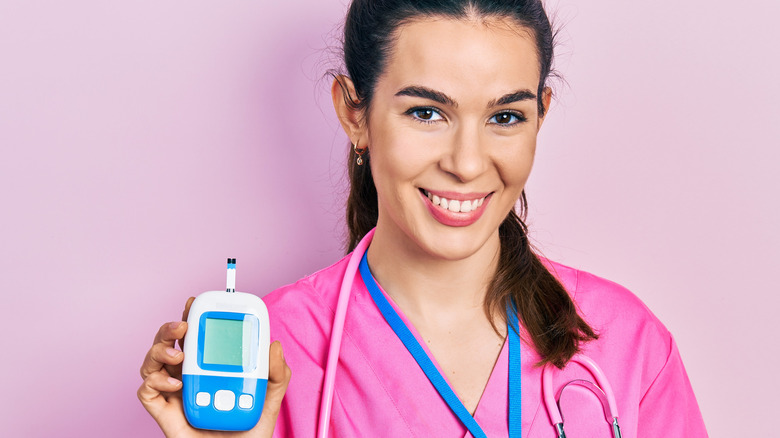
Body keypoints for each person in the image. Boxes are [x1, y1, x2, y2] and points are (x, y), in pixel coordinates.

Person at [138, 0, 708, 436]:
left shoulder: (626, 345)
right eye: (427, 112)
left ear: (542, 117)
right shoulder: (268, 358)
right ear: (353, 112)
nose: (466, 162)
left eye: (506, 116)